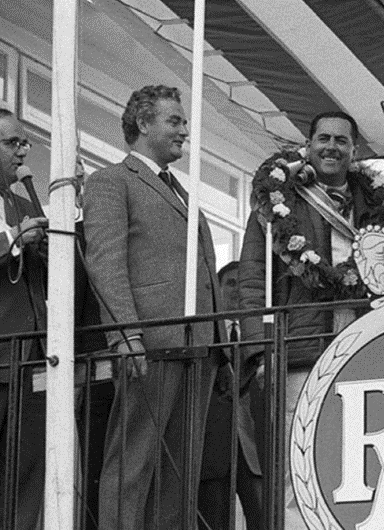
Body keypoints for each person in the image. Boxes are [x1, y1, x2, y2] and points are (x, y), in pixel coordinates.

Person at [239, 111, 384, 528]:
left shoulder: (375, 203)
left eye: (341, 141)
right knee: (300, 459)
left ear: (354, 150)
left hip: (365, 352)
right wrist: (260, 350)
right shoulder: (279, 198)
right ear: (308, 146)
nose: (332, 147)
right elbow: (253, 276)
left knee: (361, 461)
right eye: (323, 138)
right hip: (300, 352)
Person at [83, 85, 225, 530]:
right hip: (152, 341)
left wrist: (220, 334)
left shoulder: (182, 191)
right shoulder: (111, 181)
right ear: (143, 124)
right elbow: (106, 263)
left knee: (182, 466)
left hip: (198, 343)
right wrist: (126, 335)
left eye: (184, 122)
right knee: (134, 458)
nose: (185, 131)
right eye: (175, 121)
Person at [0, 109, 48, 530]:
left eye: (24, 142)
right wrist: (13, 240)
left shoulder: (20, 201)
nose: (22, 151)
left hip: (32, 357)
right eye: (11, 143)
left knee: (27, 472)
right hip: (1, 353)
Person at [199, 260, 263, 530]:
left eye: (242, 283)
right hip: (213, 448)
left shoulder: (260, 335)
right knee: (214, 520)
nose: (237, 291)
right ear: (218, 288)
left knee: (263, 518)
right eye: (230, 283)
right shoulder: (205, 334)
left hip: (252, 449)